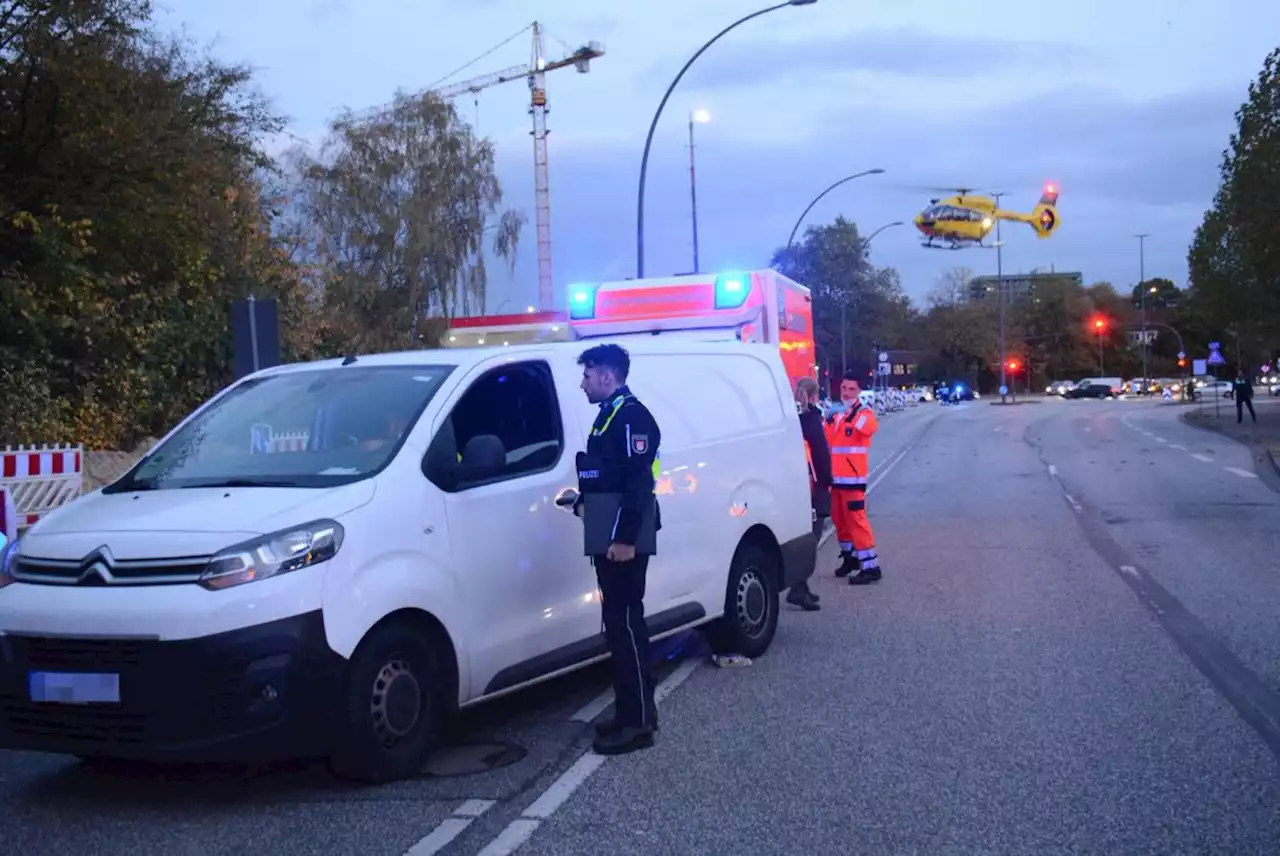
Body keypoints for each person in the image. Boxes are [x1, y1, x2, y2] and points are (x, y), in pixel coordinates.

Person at [573, 343, 661, 756]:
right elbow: (607, 478)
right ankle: (632, 711)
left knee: (626, 627)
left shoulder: (630, 417)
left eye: (587, 376)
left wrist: (625, 539)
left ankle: (638, 723)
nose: (582, 384)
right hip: (607, 532)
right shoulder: (608, 417)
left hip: (625, 539)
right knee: (619, 626)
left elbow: (639, 483)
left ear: (607, 376)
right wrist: (582, 502)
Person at [825, 371, 882, 585]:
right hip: (836, 480)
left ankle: (871, 566)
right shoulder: (836, 415)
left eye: (851, 390)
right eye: (844, 389)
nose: (846, 393)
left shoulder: (864, 413)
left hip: (853, 481)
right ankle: (850, 559)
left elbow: (868, 428)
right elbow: (828, 442)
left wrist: (849, 413)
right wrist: (833, 417)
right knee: (840, 522)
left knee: (857, 522)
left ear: (859, 392)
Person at [787, 376, 831, 612]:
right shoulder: (811, 419)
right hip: (813, 484)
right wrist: (827, 479)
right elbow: (820, 452)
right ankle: (797, 587)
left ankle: (801, 587)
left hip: (798, 482)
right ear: (814, 395)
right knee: (812, 537)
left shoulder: (791, 416)